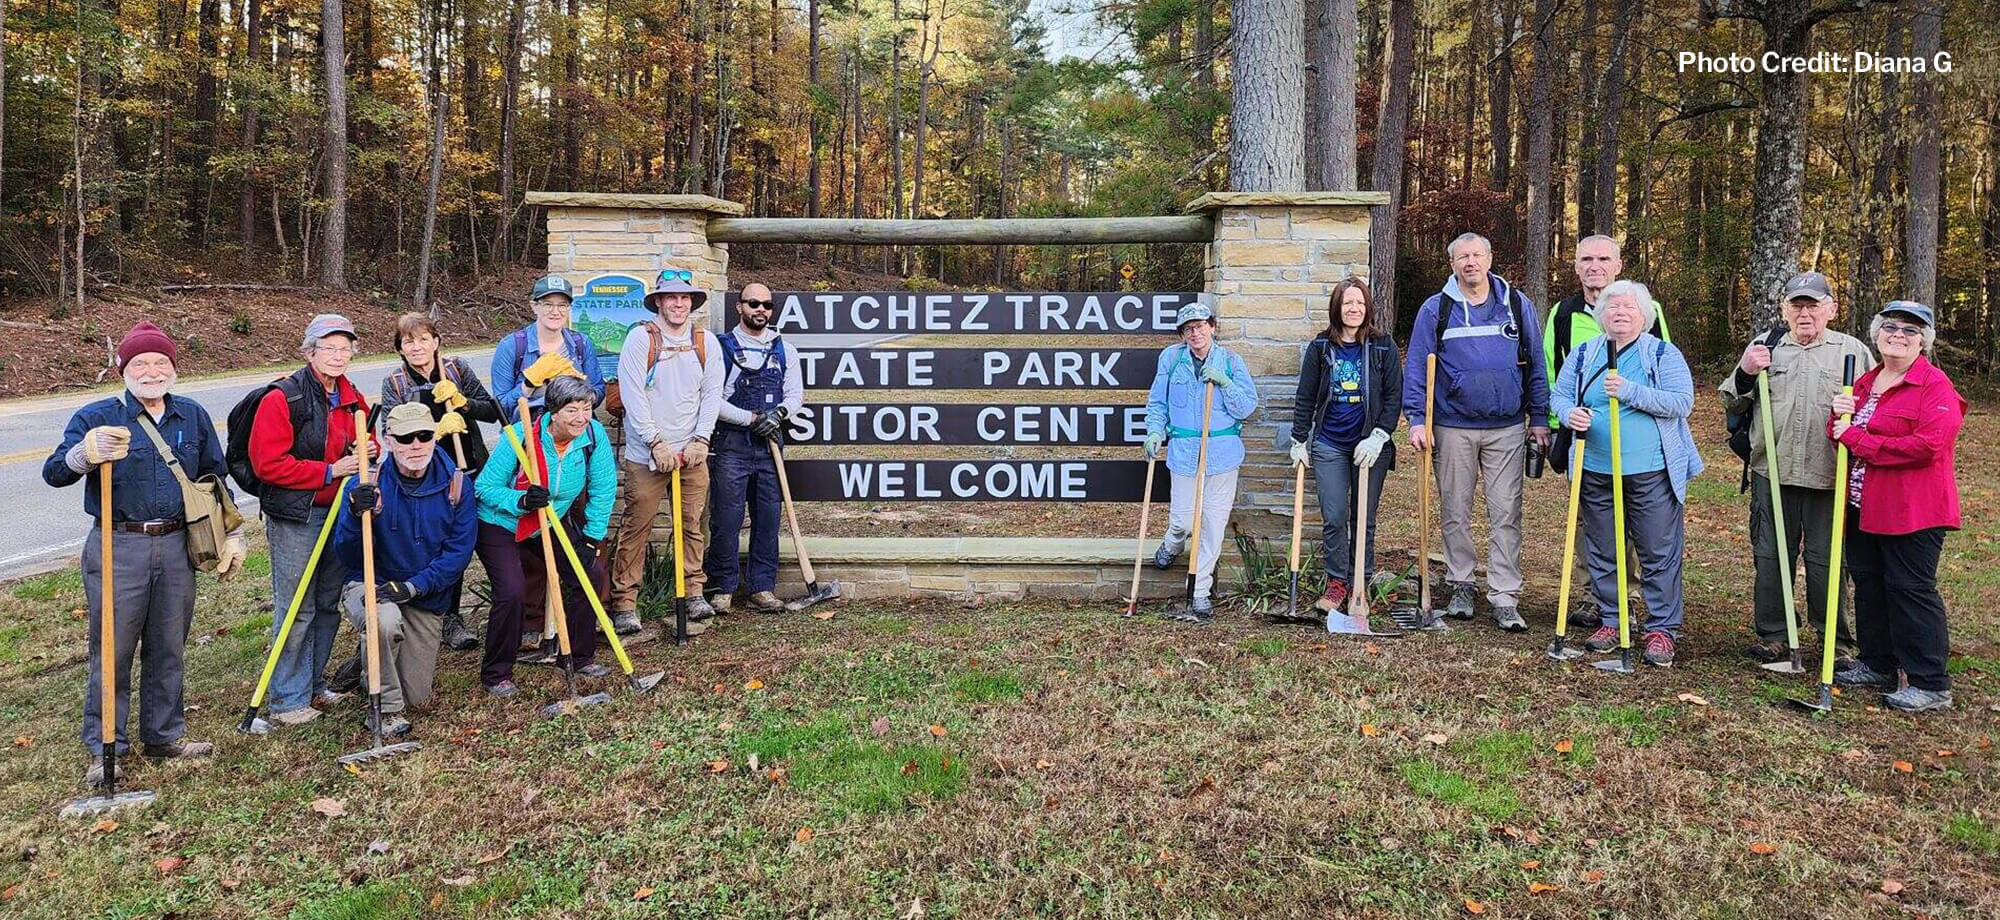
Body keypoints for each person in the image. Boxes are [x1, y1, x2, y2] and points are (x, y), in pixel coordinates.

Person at [42, 322, 244, 782]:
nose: (151, 372)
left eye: (160, 363)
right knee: (112, 647)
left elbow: (215, 476)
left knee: (168, 644)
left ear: (172, 369)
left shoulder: (190, 415)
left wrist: (234, 534)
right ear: (123, 368)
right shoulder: (96, 416)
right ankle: (105, 744)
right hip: (119, 544)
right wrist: (84, 455)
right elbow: (54, 472)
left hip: (177, 545)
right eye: (141, 363)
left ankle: (164, 735)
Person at [1717, 272, 1874, 664]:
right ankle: (1773, 634)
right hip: (1773, 471)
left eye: (1813, 305)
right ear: (1784, 309)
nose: (1805, 313)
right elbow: (1731, 402)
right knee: (1770, 556)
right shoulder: (1765, 347)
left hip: (1829, 474)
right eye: (1797, 305)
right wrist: (1747, 371)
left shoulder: (1852, 352)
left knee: (1827, 561)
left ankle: (1833, 641)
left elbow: (1876, 407)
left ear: (1831, 310)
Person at [1402, 232, 1552, 632]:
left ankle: (1504, 595)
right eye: (1461, 256)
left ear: (1489, 258)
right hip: (1452, 427)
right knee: (1455, 510)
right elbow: (1418, 364)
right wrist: (1417, 418)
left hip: (1506, 427)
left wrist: (1540, 417)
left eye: (1476, 254)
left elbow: (1537, 364)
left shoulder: (1517, 305)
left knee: (1506, 512)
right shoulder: (1437, 309)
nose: (1470, 262)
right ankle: (1461, 583)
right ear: (1452, 264)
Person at [1551, 280, 1703, 667]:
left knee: (1658, 550)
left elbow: (1681, 402)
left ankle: (1661, 629)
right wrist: (1571, 414)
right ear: (1601, 315)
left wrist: (1631, 391)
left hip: (1650, 470)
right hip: (1595, 468)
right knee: (1603, 548)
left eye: (1629, 307)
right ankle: (1613, 619)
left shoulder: (1662, 354)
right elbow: (1561, 394)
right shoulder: (1585, 354)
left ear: (1644, 315)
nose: (1620, 312)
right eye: (1612, 306)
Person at [1829, 302, 1965, 713]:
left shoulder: (1934, 386)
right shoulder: (1867, 381)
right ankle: (1877, 662)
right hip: (1863, 504)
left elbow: (1928, 446)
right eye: (1890, 327)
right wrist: (1838, 421)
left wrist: (1859, 440)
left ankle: (1929, 682)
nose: (1898, 335)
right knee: (1869, 584)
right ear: (1876, 333)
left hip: (1913, 510)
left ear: (1924, 340)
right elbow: (1841, 435)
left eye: (1910, 330)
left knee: (1910, 590)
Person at [249, 314, 374, 727]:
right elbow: (268, 464)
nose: (338, 356)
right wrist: (329, 472)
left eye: (345, 349)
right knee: (296, 606)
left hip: (339, 512)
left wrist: (368, 448)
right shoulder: (283, 398)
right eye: (329, 348)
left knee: (325, 604)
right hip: (296, 516)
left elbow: (365, 438)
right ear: (309, 352)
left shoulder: (352, 396)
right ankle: (287, 699)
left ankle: (314, 685)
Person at [330, 403, 477, 735]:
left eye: (424, 436)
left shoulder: (457, 487)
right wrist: (356, 517)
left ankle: (365, 662)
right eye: (406, 437)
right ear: (388, 440)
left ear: (434, 438)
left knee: (417, 694)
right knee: (384, 621)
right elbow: (348, 555)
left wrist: (413, 587)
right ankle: (384, 711)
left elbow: (457, 555)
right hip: (372, 584)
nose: (415, 445)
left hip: (423, 595)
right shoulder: (365, 485)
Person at [474, 376, 618, 696]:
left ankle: (579, 656)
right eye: (572, 410)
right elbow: (483, 488)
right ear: (553, 411)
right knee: (511, 590)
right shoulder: (519, 436)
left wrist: (592, 538)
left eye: (586, 408)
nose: (582, 417)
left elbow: (603, 487)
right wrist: (521, 500)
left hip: (548, 521)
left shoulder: (592, 436)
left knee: (590, 573)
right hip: (501, 523)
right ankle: (497, 673)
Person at [609, 268, 724, 635]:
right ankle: (626, 602)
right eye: (671, 297)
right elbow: (632, 395)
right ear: (658, 301)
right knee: (636, 526)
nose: (678, 303)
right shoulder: (641, 340)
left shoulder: (706, 342)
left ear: (692, 302)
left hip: (692, 453)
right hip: (648, 456)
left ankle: (693, 591)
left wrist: (701, 440)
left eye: (685, 297)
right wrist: (655, 442)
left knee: (691, 525)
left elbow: (711, 395)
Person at [380, 312, 503, 651]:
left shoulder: (457, 369)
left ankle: (508, 605)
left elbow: (491, 410)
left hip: (471, 467)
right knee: (444, 544)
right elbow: (388, 432)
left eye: (423, 339)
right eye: (409, 341)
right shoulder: (395, 383)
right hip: (430, 478)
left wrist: (462, 404)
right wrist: (434, 428)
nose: (417, 347)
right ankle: (446, 617)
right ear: (400, 348)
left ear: (436, 342)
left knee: (485, 538)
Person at [1288, 279, 1401, 614]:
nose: (1354, 309)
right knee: (1335, 515)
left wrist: (1380, 434)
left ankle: (1359, 587)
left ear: (1368, 308)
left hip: (1369, 445)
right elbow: (1305, 396)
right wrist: (1298, 439)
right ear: (1337, 307)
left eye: (1360, 303)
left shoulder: (1382, 346)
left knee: (1363, 518)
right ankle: (1337, 584)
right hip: (1329, 445)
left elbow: (1394, 397)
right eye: (1348, 303)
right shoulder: (1321, 347)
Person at [1145, 301, 1260, 624]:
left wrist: (1225, 382)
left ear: (1212, 326)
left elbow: (1247, 407)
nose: (1194, 333)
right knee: (1182, 520)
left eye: (1199, 326)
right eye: (1188, 329)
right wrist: (1155, 431)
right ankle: (1172, 543)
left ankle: (1199, 592)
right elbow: (1158, 402)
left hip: (1222, 455)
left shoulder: (1231, 361)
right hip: (1184, 452)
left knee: (1211, 525)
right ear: (1182, 334)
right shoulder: (1170, 359)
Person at [704, 281, 803, 615]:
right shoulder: (721, 347)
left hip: (770, 443)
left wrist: (778, 415)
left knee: (768, 518)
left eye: (766, 305)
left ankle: (762, 587)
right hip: (732, 444)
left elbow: (794, 395)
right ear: (739, 307)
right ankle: (722, 589)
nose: (760, 310)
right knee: (726, 518)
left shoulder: (784, 349)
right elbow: (712, 399)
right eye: (753, 304)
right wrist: (749, 418)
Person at [491, 275, 606, 422]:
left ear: (569, 308)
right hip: (526, 435)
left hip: (575, 433)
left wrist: (578, 389)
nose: (555, 311)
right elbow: (501, 407)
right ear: (534, 306)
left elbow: (599, 391)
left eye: (562, 305)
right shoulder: (511, 346)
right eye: (547, 304)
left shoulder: (581, 344)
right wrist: (529, 384)